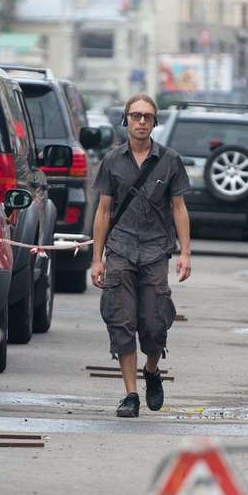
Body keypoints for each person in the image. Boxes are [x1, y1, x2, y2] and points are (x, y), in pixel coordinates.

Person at [90, 93, 192, 418]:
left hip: (155, 252)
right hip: (119, 250)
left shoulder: (170, 160)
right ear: (126, 120)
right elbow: (103, 211)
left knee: (154, 324)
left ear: (154, 122)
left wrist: (185, 253)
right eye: (136, 116)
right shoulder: (111, 161)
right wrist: (97, 258)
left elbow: (179, 208)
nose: (141, 122)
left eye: (147, 116)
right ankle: (130, 394)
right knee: (121, 322)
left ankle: (151, 370)